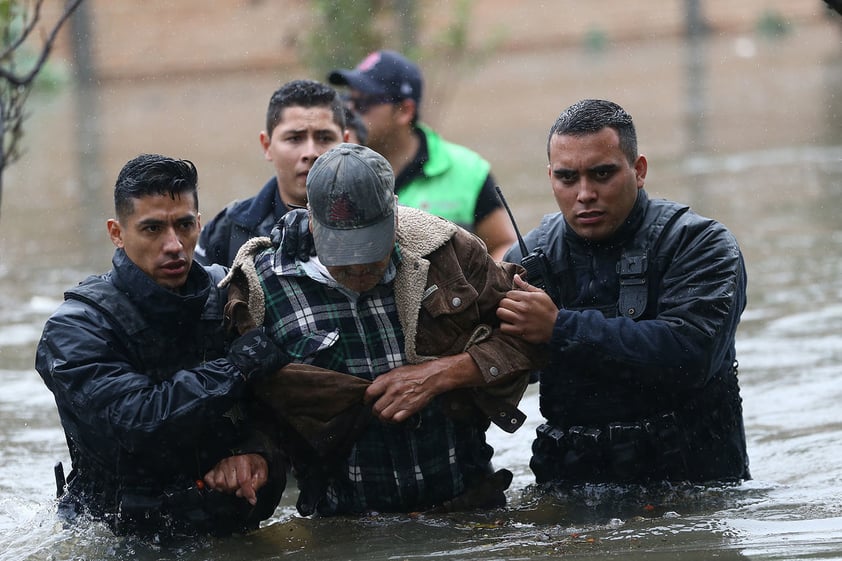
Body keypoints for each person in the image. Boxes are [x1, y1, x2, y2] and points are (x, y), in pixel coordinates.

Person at [225, 143, 542, 516]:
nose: (359, 269)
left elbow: (533, 340)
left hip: (468, 506)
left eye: (371, 250)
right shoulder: (261, 289)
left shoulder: (448, 253)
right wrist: (243, 454)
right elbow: (236, 403)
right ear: (312, 221)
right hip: (345, 524)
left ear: (394, 212)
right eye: (343, 255)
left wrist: (446, 373)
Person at [35, 154, 290, 538]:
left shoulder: (229, 297)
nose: (173, 245)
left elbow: (280, 408)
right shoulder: (76, 328)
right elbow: (137, 423)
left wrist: (258, 457)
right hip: (118, 538)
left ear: (199, 225)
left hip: (226, 525)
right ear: (117, 233)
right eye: (152, 229)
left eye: (184, 225)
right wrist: (235, 368)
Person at [496, 99, 750, 485]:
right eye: (567, 178)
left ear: (639, 169)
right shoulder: (528, 262)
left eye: (602, 174)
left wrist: (559, 329)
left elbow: (692, 354)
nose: (585, 193)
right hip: (573, 484)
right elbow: (495, 368)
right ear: (550, 178)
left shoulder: (700, 245)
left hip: (694, 482)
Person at [328, 50, 517, 261]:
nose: (351, 111)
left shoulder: (468, 171)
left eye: (363, 103)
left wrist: (480, 290)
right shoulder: (335, 168)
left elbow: (503, 245)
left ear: (404, 111)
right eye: (347, 100)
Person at [195, 79, 348, 267]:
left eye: (325, 138)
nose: (310, 153)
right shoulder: (228, 230)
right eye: (294, 138)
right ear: (267, 146)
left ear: (346, 144)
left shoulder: (380, 223)